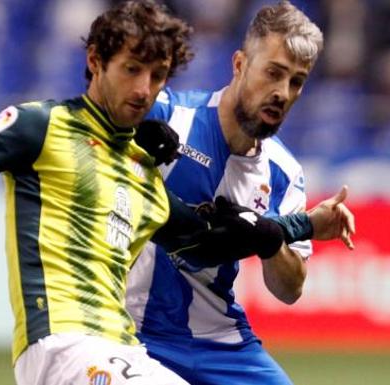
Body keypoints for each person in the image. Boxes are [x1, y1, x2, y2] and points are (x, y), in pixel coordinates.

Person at [0, 2, 200, 384]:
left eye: (157, 76)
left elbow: (207, 235)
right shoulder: (41, 126)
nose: (143, 89)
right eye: (132, 69)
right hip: (62, 344)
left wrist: (280, 230)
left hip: (120, 348)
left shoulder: (145, 174)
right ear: (96, 60)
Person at [126, 2, 355, 385]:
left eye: (296, 82)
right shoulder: (166, 118)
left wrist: (270, 241)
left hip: (218, 342)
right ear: (239, 65)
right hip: (127, 329)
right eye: (273, 73)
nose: (282, 93)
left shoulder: (284, 173)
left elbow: (289, 289)